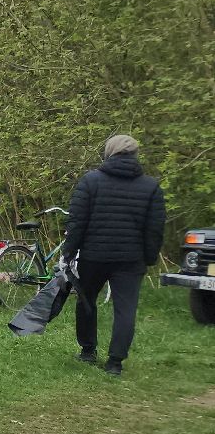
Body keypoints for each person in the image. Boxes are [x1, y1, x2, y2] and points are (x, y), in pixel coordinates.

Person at [64, 134, 166, 376]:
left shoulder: (91, 181)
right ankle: (115, 362)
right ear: (135, 155)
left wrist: (70, 251)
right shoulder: (151, 186)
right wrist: (149, 258)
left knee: (87, 301)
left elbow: (77, 221)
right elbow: (155, 228)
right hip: (131, 260)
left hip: (93, 256)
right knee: (125, 309)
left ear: (108, 153)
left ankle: (88, 351)